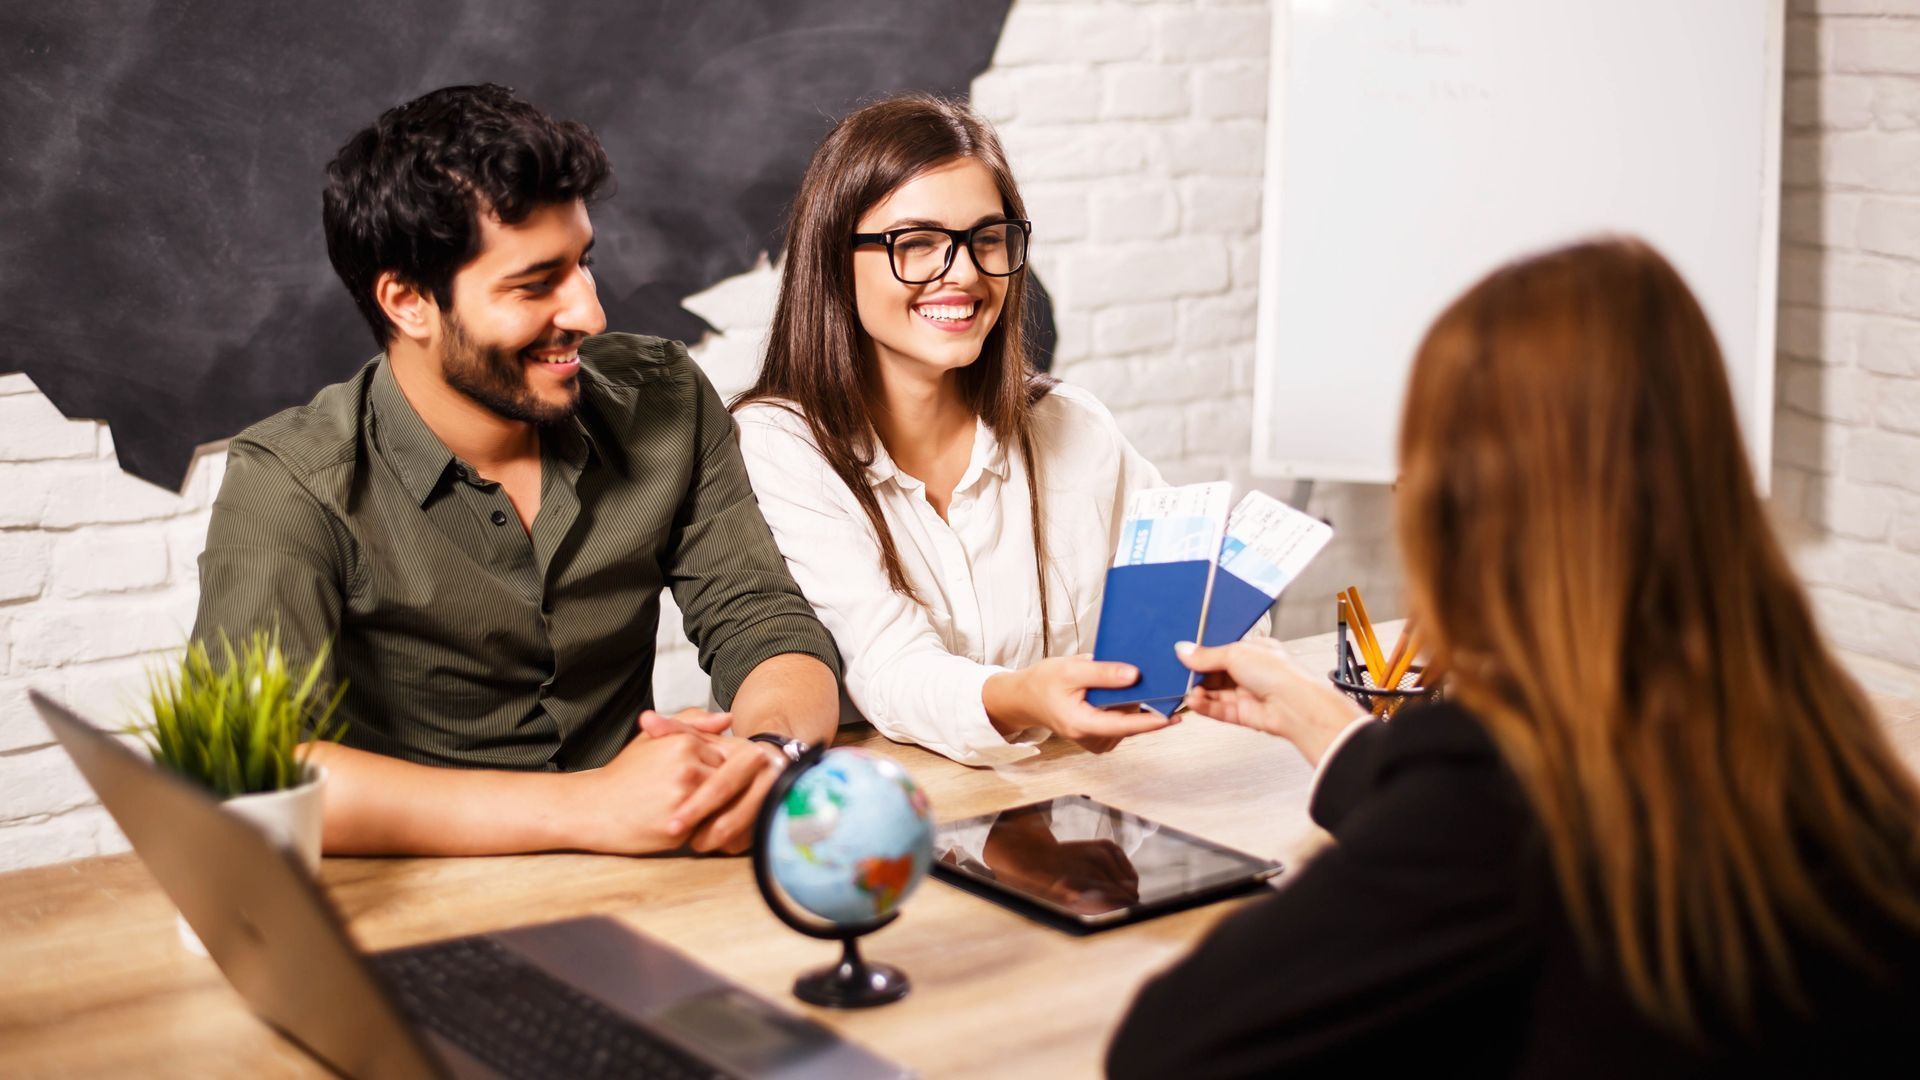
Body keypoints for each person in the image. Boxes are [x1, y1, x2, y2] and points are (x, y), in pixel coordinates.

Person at [1107, 238, 1920, 1075]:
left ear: (1466, 511)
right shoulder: (1812, 733)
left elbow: (1167, 1046)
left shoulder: (1507, 794)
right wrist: (1334, 729)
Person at [190, 85, 842, 857]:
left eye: (583, 263)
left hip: (660, 877)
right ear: (408, 302)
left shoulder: (664, 397)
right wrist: (585, 808)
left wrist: (766, 756)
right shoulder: (291, 481)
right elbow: (248, 771)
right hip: (423, 907)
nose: (591, 314)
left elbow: (763, 620)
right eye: (536, 284)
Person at [732, 95, 1168, 767]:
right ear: (833, 259)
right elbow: (890, 664)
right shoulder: (778, 445)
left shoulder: (1074, 426)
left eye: (986, 239)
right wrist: (1023, 697)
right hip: (884, 828)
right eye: (917, 243)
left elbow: (1184, 603)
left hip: (1081, 811)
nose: (963, 273)